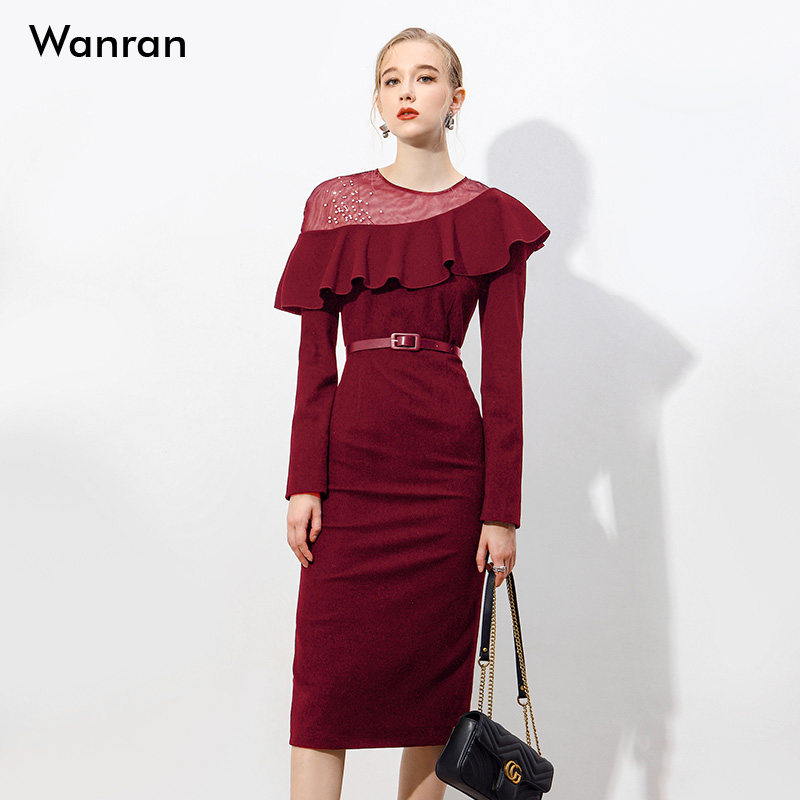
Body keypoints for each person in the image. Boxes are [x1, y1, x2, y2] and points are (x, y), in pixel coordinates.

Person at [274, 27, 550, 800]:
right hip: (352, 470)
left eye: (425, 77)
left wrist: (501, 512)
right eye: (391, 78)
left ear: (455, 98)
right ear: (377, 99)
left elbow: (504, 381)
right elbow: (313, 364)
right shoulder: (334, 206)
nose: (406, 91)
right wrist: (304, 482)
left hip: (447, 481)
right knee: (322, 693)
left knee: (434, 697)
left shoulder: (496, 218)